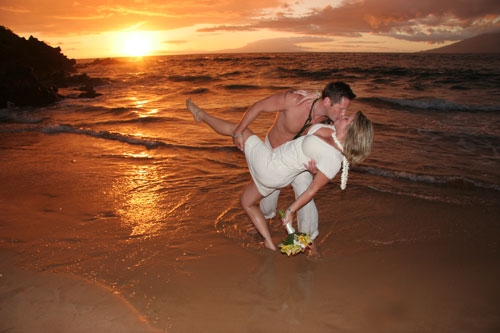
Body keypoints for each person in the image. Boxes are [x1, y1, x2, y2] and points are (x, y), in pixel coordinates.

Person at [186, 98, 373, 254]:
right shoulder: (332, 131)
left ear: (350, 131)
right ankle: (268, 243)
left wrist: (291, 210)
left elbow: (312, 190)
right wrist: (312, 97)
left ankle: (201, 115)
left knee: (242, 130)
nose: (343, 115)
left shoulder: (332, 159)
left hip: (271, 166)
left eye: (347, 118)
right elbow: (319, 115)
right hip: (276, 172)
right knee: (246, 202)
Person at [231, 82, 356, 254]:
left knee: (306, 196)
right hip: (272, 153)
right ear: (327, 102)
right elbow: (259, 106)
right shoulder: (294, 100)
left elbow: (331, 152)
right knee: (268, 199)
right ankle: (264, 222)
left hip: (299, 162)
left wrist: (315, 170)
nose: (344, 114)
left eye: (345, 111)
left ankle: (310, 242)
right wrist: (239, 131)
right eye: (341, 109)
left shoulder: (331, 123)